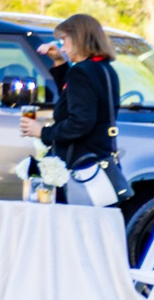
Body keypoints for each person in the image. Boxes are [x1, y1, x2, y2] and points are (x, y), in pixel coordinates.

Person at [29, 13, 124, 199]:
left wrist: (43, 132)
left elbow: (80, 121)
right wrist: (59, 62)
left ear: (79, 37)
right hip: (98, 159)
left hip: (79, 166)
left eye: (64, 40)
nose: (62, 47)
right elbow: (73, 98)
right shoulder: (104, 69)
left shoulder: (81, 72)